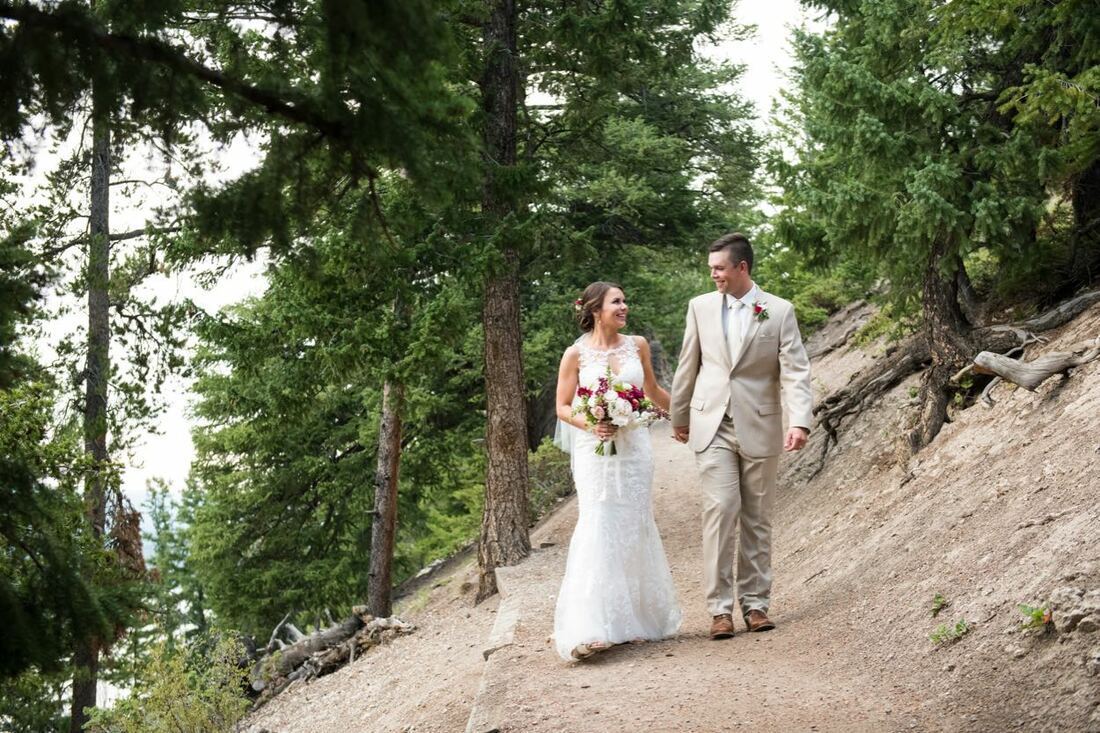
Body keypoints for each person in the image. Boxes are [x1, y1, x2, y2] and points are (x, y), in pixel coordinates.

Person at [670, 232, 813, 639]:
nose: (713, 274)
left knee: (757, 517)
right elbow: (688, 363)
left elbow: (796, 370)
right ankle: (719, 610)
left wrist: (800, 421)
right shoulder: (699, 307)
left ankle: (756, 605)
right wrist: (680, 416)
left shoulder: (779, 311)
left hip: (761, 422)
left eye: (719, 268)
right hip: (711, 423)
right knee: (721, 508)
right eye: (711, 268)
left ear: (742, 268)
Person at [552, 281, 682, 661]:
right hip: (595, 452)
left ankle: (633, 620)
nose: (625, 306)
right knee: (599, 522)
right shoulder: (574, 355)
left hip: (635, 450)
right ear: (595, 309)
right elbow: (562, 407)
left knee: (633, 523)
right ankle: (591, 624)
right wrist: (592, 424)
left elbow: (652, 392)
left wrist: (685, 416)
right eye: (617, 301)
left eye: (625, 300)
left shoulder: (637, 345)